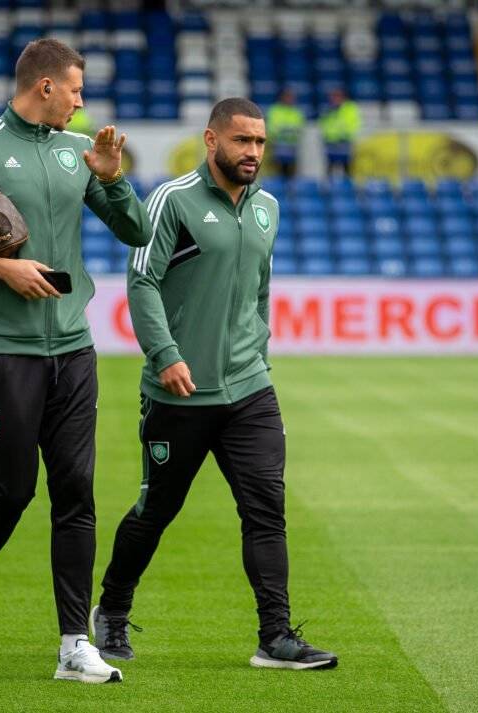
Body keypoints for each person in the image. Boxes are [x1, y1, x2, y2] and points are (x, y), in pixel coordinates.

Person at [0, 39, 151, 684]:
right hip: (3, 349)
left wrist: (112, 178)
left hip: (73, 347)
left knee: (76, 494)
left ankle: (75, 644)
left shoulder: (79, 152)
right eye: (75, 89)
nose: (81, 102)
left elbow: (138, 232)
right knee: (12, 491)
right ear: (45, 86)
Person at [90, 98, 338, 671]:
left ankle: (275, 637)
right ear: (211, 140)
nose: (253, 152)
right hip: (179, 392)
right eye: (241, 141)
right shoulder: (172, 200)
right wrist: (166, 355)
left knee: (266, 509)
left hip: (249, 389)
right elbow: (142, 282)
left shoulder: (268, 208)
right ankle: (112, 610)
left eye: (260, 142)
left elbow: (259, 290)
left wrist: (257, 353)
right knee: (157, 509)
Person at [319, 89, 362, 176]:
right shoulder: (328, 110)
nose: (334, 99)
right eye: (333, 97)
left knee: (346, 166)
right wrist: (328, 136)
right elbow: (324, 124)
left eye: (337, 97)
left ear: (343, 98)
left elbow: (353, 124)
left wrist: (343, 134)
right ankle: (329, 183)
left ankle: (348, 183)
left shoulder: (350, 108)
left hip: (344, 142)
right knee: (330, 166)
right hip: (331, 142)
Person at [265, 88, 306, 178]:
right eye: (288, 97)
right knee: (276, 174)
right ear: (282, 98)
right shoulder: (274, 110)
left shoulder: (297, 112)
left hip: (292, 149)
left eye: (291, 97)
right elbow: (272, 128)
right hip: (277, 148)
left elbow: (299, 128)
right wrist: (288, 131)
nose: (290, 99)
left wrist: (285, 130)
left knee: (291, 174)